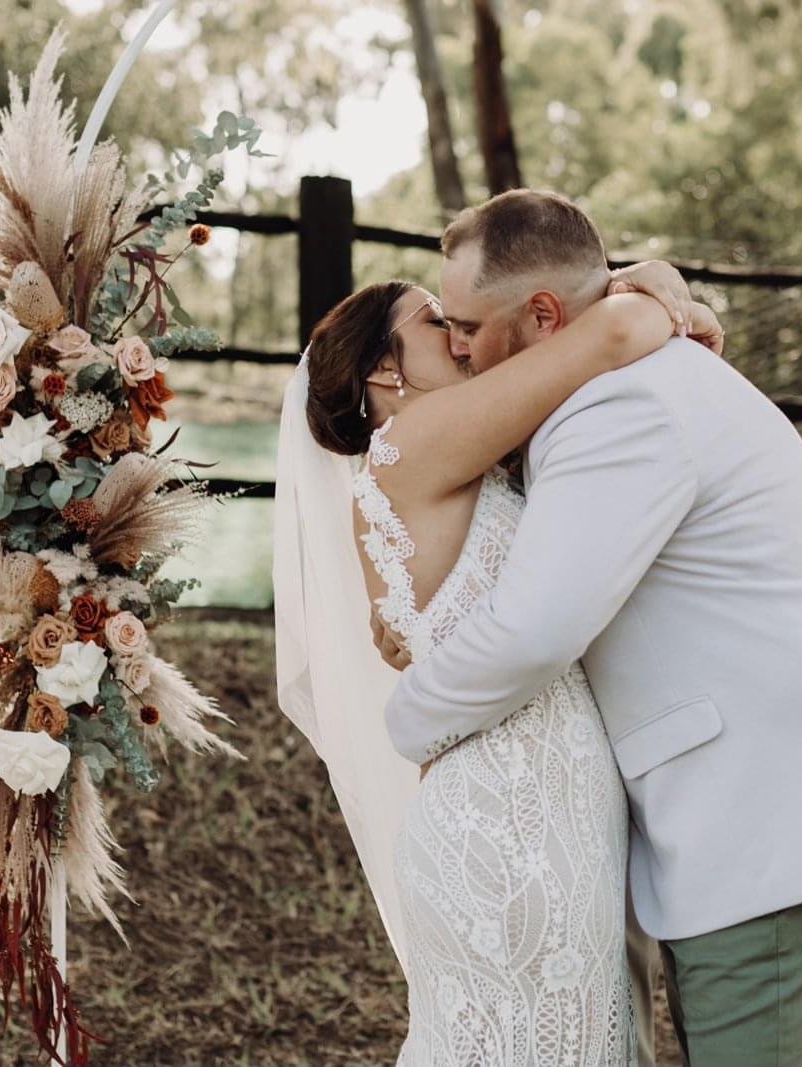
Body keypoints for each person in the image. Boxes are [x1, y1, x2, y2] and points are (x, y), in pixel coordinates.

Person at [379, 189, 802, 1066]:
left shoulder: (619, 407)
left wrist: (403, 720)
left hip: (783, 838)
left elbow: (533, 630)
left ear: (543, 314)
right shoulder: (624, 381)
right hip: (771, 839)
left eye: (467, 323)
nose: (458, 344)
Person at [275, 252, 721, 1065]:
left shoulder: (460, 458)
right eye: (431, 323)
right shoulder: (411, 443)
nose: (455, 334)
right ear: (384, 369)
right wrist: (649, 284)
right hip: (514, 830)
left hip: (535, 818)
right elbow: (615, 331)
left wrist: (644, 273)